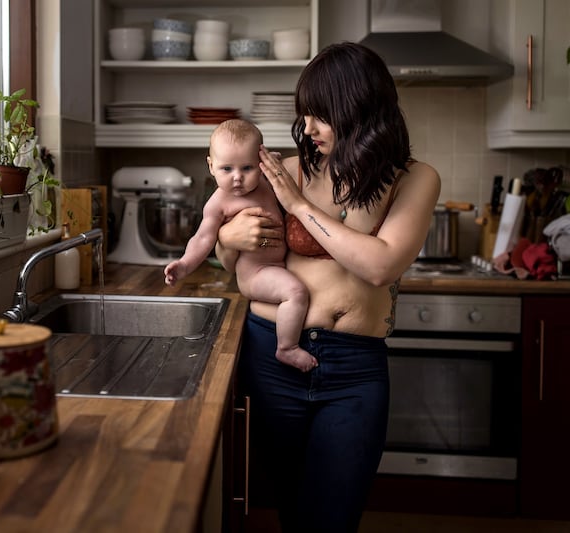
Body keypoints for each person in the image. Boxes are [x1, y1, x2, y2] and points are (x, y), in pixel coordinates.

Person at [215, 42, 441, 532]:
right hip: (271, 356)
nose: (309, 127)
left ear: (359, 110)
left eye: (321, 115)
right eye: (306, 115)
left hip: (353, 370)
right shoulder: (291, 169)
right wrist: (227, 240)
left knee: (333, 518)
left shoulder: (414, 179)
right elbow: (233, 253)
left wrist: (299, 207)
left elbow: (380, 266)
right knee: (289, 510)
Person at [164, 118, 317, 371]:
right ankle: (287, 348)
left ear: (260, 163)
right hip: (255, 273)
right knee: (295, 292)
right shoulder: (218, 203)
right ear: (211, 166)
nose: (237, 178)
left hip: (275, 265)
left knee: (295, 290)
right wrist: (184, 265)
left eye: (247, 168)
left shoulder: (264, 181)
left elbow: (273, 163)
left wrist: (271, 160)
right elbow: (202, 238)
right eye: (226, 169)